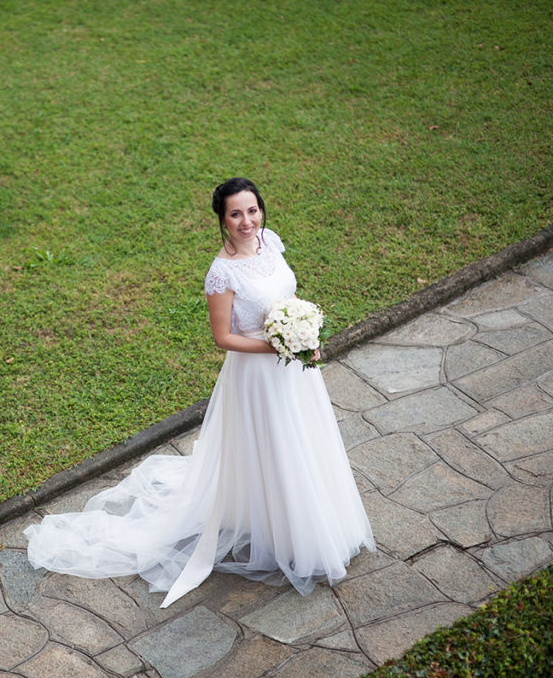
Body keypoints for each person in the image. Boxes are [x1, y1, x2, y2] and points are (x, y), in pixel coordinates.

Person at [24, 177, 374, 608]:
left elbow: (288, 295)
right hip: (257, 376)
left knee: (306, 441)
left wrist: (304, 330)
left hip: (293, 370)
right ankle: (291, 538)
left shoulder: (271, 242)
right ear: (222, 221)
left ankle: (318, 522)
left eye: (252, 210)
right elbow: (223, 337)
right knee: (277, 447)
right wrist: (275, 344)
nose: (247, 221)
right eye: (235, 214)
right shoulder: (221, 272)